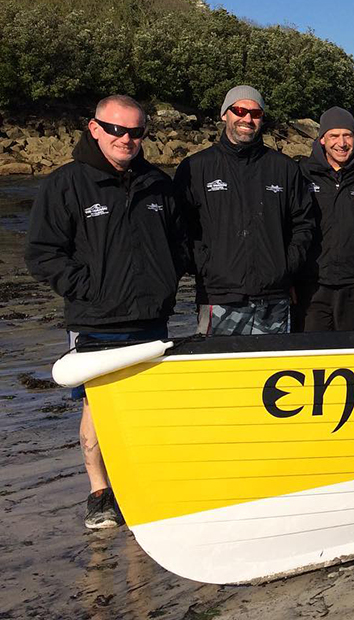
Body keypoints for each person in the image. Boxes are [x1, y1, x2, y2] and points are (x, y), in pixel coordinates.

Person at [25, 95, 184, 529]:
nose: (125, 139)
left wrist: (167, 281)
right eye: (116, 129)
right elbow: (42, 254)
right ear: (95, 128)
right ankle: (99, 494)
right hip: (96, 321)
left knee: (146, 409)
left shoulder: (157, 183)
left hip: (151, 317)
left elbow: (179, 244)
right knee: (97, 409)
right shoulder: (66, 184)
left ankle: (142, 487)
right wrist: (89, 290)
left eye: (136, 132)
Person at [174, 85, 314, 335]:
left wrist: (286, 266)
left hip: (273, 298)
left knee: (272, 361)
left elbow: (303, 223)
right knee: (217, 360)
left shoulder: (284, 168)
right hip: (218, 295)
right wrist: (205, 265)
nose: (247, 119)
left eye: (255, 113)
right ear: (224, 114)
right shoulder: (195, 167)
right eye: (239, 111)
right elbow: (180, 228)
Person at [292, 106, 354, 331]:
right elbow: (289, 229)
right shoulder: (302, 174)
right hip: (311, 285)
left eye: (347, 135)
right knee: (311, 350)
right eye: (334, 136)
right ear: (322, 139)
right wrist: (287, 280)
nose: (342, 143)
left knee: (353, 350)